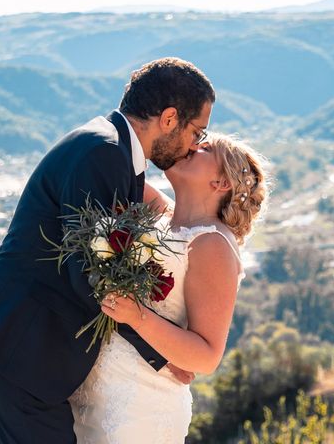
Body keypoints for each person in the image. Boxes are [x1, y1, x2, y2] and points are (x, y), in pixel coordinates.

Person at [0, 57, 215, 443]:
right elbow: (90, 274)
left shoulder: (112, 148)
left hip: (22, 340)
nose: (194, 145)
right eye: (197, 131)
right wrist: (159, 353)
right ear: (169, 118)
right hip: (20, 342)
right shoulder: (103, 152)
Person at [69, 132, 267, 443]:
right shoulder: (160, 215)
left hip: (141, 406)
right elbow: (112, 163)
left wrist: (137, 317)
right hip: (94, 389)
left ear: (221, 183)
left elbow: (206, 357)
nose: (190, 145)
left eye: (204, 148)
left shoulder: (212, 243)